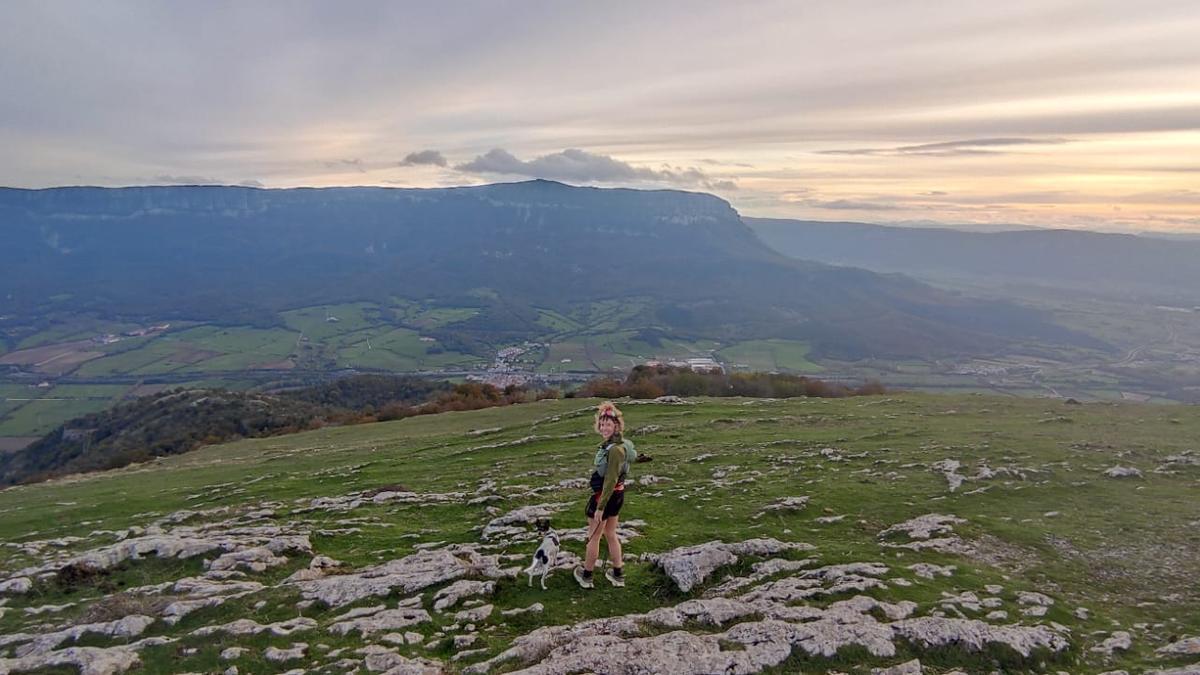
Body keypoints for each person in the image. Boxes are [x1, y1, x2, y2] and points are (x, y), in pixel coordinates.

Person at [574, 400, 635, 589]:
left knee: (593, 536)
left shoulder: (614, 450)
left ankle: (587, 575)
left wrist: (600, 507)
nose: (604, 427)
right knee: (610, 533)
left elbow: (610, 480)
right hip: (618, 496)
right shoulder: (624, 445)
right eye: (601, 424)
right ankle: (617, 574)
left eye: (608, 424)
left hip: (605, 496)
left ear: (616, 425)